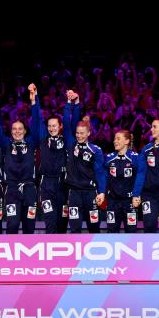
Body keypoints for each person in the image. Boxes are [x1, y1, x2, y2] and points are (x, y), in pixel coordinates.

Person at [0, 94, 38, 234]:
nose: (17, 131)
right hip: (12, 190)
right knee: (12, 225)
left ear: (25, 131)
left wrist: (34, 102)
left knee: (29, 226)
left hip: (29, 190)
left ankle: (29, 254)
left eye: (20, 129)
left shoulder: (31, 143)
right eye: (14, 129)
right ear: (11, 132)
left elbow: (36, 123)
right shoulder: (6, 145)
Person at [30, 83, 75, 233]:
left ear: (60, 126)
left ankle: (61, 254)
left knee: (62, 223)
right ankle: (52, 254)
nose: (51, 128)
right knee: (50, 222)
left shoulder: (67, 139)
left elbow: (69, 122)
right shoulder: (43, 138)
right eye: (49, 126)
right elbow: (37, 118)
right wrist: (34, 98)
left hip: (63, 185)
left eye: (54, 125)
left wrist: (69, 103)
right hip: (46, 185)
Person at [63, 90, 106, 234]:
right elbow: (67, 121)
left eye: (82, 133)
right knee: (74, 229)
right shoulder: (70, 143)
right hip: (74, 194)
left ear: (89, 133)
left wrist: (101, 192)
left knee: (94, 228)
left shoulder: (96, 150)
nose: (79, 135)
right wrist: (72, 103)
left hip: (90, 194)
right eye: (77, 133)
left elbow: (100, 172)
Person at [104, 130, 140, 233]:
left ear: (127, 141)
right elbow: (105, 178)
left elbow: (140, 177)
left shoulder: (135, 158)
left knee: (131, 232)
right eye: (114, 139)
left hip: (129, 203)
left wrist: (138, 195)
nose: (115, 141)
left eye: (118, 139)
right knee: (111, 232)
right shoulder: (109, 158)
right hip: (112, 202)